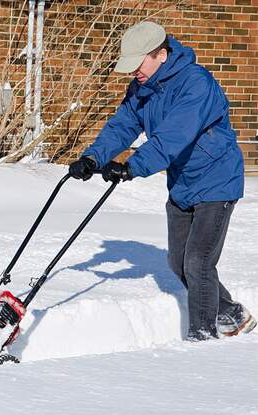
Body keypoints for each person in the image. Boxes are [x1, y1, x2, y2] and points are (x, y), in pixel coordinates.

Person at [68, 21, 255, 341]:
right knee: (178, 262)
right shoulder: (142, 88)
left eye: (137, 64)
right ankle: (231, 313)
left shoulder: (196, 83)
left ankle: (202, 338)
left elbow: (174, 136)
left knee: (198, 262)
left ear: (161, 54)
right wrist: (93, 158)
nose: (132, 73)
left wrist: (132, 166)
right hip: (182, 183)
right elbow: (122, 126)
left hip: (217, 181)